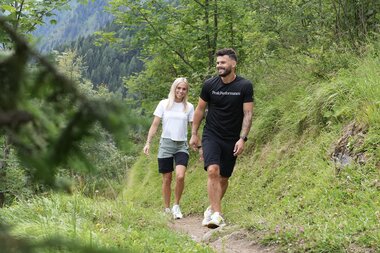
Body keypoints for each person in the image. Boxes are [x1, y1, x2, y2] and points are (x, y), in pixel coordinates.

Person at [189, 48, 254, 228]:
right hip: (212, 135)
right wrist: (194, 134)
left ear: (233, 64)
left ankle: (211, 209)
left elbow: (248, 114)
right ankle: (218, 215)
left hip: (232, 138)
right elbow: (200, 110)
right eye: (217, 63)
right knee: (213, 171)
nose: (219, 66)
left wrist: (242, 138)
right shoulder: (209, 85)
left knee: (224, 178)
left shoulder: (244, 86)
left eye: (223, 62)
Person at [143, 77, 194, 219]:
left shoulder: (189, 107)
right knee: (167, 178)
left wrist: (197, 142)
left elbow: (193, 127)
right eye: (178, 88)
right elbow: (155, 124)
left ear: (186, 91)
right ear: (174, 88)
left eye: (184, 89)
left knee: (180, 176)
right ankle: (166, 208)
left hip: (181, 145)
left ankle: (176, 206)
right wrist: (148, 142)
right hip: (166, 144)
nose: (181, 91)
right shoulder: (164, 104)